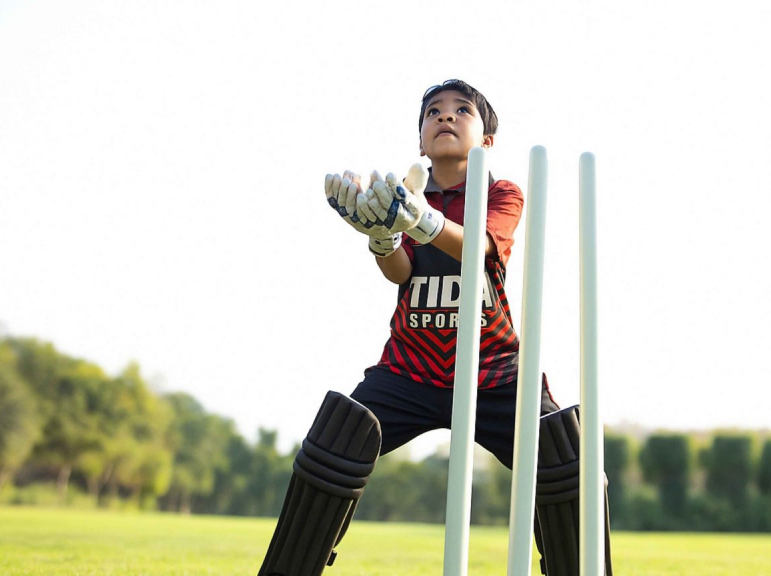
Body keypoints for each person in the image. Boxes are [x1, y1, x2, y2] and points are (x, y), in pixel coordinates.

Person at [258, 80, 611, 576]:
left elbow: (479, 247)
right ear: (421, 141)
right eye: (433, 112)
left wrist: (419, 219)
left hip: (494, 371)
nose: (446, 117)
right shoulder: (406, 195)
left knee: (564, 454)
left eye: (462, 110)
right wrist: (382, 237)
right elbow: (401, 272)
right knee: (336, 438)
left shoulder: (500, 192)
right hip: (410, 368)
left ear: (486, 140)